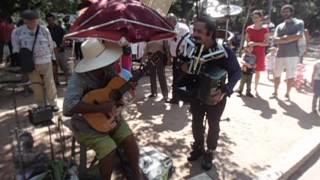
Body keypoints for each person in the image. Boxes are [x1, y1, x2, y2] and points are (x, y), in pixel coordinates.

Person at [63, 39, 142, 180]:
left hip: (110, 118)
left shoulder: (108, 69)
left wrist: (127, 88)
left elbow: (114, 90)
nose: (109, 63)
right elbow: (68, 107)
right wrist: (99, 108)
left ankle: (137, 175)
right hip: (85, 124)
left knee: (129, 139)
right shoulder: (78, 78)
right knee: (108, 148)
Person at [185, 16, 241, 170]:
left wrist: (225, 91)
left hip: (216, 97)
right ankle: (198, 147)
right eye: (194, 30)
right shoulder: (192, 47)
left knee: (213, 125)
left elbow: (237, 73)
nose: (194, 33)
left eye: (199, 31)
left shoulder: (224, 51)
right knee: (196, 123)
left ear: (210, 34)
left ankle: (210, 151)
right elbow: (186, 69)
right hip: (196, 95)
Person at [11, 10, 58, 110]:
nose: (33, 22)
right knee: (36, 84)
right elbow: (16, 49)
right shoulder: (17, 32)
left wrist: (53, 59)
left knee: (49, 83)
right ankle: (40, 104)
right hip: (31, 63)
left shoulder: (44, 30)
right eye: (30, 20)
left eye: (34, 20)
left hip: (45, 60)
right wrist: (21, 62)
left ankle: (53, 103)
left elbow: (50, 45)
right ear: (25, 21)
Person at [273, 4, 304, 100]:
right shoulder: (279, 26)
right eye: (284, 11)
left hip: (293, 55)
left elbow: (299, 35)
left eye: (287, 11)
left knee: (290, 76)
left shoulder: (299, 23)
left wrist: (284, 39)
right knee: (276, 74)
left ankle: (287, 93)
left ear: (291, 12)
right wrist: (288, 38)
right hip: (280, 54)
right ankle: (275, 92)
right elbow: (274, 39)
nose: (285, 13)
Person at [166, 13, 190, 104]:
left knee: (184, 78)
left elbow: (187, 43)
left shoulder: (182, 28)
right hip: (176, 58)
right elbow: (170, 43)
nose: (167, 23)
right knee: (175, 78)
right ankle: (175, 98)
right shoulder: (169, 29)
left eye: (168, 22)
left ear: (174, 21)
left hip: (183, 57)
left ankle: (185, 99)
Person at [245, 10, 269, 96]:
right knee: (247, 69)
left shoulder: (265, 29)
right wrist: (247, 47)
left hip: (260, 52)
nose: (254, 19)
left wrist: (255, 43)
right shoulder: (249, 28)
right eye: (253, 17)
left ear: (261, 18)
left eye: (256, 17)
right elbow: (246, 40)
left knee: (257, 71)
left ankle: (255, 88)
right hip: (250, 51)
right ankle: (247, 88)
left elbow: (267, 43)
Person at [46, 13, 71, 85]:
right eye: (48, 20)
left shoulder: (60, 29)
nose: (50, 21)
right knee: (54, 68)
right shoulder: (46, 30)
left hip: (61, 51)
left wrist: (60, 47)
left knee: (65, 67)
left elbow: (65, 38)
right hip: (50, 52)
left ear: (54, 20)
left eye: (51, 20)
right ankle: (56, 81)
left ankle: (67, 80)